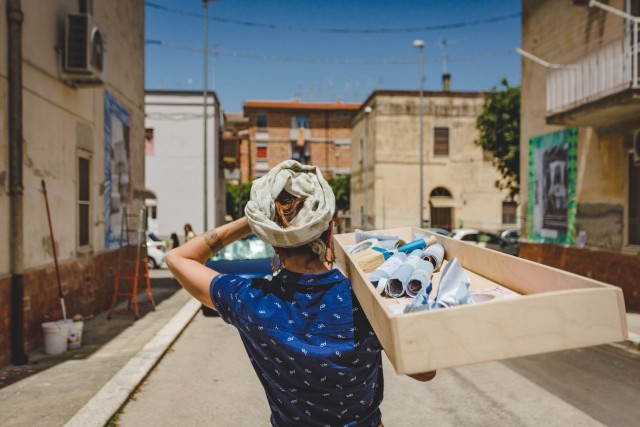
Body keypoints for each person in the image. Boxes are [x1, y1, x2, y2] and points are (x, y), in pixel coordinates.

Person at [167, 160, 435, 426]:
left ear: (270, 239)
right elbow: (425, 372)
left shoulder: (250, 302)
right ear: (330, 230)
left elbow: (179, 258)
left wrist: (254, 221)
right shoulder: (367, 294)